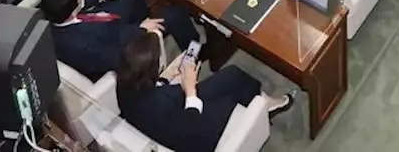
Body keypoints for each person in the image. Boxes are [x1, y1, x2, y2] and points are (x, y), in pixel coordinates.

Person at [115, 33, 293, 152]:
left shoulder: (123, 84)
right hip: (197, 133)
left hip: (171, 107)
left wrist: (167, 77)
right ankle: (262, 107)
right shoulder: (161, 104)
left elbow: (156, 92)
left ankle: (259, 100)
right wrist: (190, 87)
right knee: (231, 94)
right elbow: (191, 124)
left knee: (232, 76)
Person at [42, 0, 198, 81]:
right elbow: (117, 56)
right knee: (175, 14)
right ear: (72, 10)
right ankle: (195, 50)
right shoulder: (84, 47)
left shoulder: (55, 16)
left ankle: (140, 12)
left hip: (105, 23)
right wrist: (141, 30)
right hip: (118, 42)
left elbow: (78, 2)